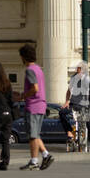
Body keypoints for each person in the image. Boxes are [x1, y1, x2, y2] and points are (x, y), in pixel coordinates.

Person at [19, 42, 54, 170]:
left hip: (33, 106)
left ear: (24, 57)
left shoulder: (29, 70)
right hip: (41, 105)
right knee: (36, 134)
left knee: (32, 135)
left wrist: (23, 96)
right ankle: (45, 154)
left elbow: (35, 88)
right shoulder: (39, 69)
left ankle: (34, 161)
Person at [64, 62, 90, 153]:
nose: (77, 70)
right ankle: (69, 132)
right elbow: (68, 91)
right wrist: (66, 101)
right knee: (62, 113)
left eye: (80, 69)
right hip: (73, 104)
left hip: (83, 106)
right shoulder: (73, 78)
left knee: (88, 123)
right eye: (77, 68)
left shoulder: (87, 80)